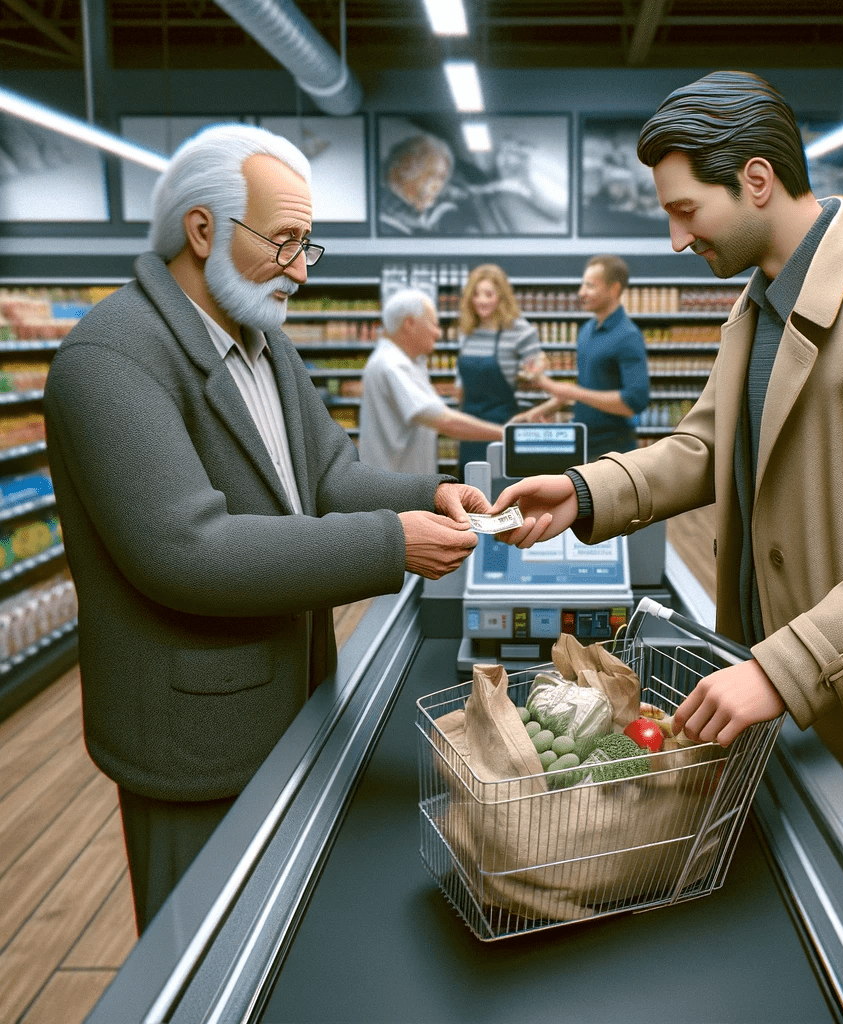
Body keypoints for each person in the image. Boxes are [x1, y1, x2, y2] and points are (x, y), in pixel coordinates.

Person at [488, 71, 843, 867]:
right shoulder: (755, 306)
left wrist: (784, 667)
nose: (677, 240)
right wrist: (586, 491)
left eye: (686, 210)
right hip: (766, 692)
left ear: (756, 179)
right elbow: (701, 449)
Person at [42, 124, 489, 933]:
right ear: (202, 229)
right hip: (194, 741)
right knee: (206, 947)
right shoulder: (111, 359)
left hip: (295, 696)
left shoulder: (265, 346)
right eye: (283, 242)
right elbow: (188, 550)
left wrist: (441, 490)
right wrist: (395, 544)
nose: (299, 271)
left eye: (306, 245)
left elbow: (328, 479)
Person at [516, 254, 650, 459]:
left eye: (590, 286)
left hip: (615, 450)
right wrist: (548, 407)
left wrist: (573, 391)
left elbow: (634, 403)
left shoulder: (628, 336)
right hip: (584, 444)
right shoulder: (587, 331)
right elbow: (591, 386)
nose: (581, 293)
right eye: (582, 285)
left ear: (613, 289)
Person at [359, 287, 504, 474]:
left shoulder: (407, 362)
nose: (438, 333)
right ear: (410, 323)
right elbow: (444, 421)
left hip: (399, 486)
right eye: (434, 324)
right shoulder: (392, 365)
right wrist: (505, 434)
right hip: (395, 492)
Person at [455, 263, 544, 477]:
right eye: (475, 294)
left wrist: (535, 369)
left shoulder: (519, 330)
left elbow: (538, 367)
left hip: (503, 429)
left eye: (488, 294)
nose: (481, 300)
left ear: (502, 296)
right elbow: (461, 385)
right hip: (469, 429)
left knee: (502, 490)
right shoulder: (467, 332)